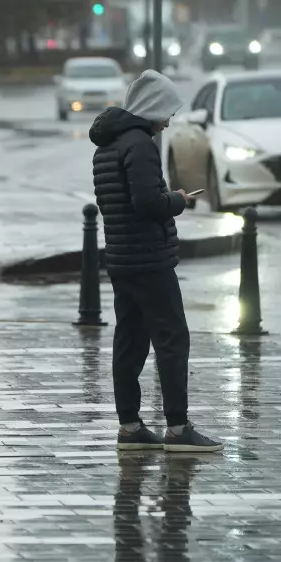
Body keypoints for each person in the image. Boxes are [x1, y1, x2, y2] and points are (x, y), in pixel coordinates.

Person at [89, 69, 223, 453]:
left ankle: (130, 427)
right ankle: (179, 429)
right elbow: (148, 203)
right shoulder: (140, 144)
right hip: (149, 258)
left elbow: (117, 204)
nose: (169, 119)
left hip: (121, 258)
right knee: (172, 339)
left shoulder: (107, 147)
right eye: (167, 111)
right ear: (151, 108)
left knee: (129, 341)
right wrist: (178, 199)